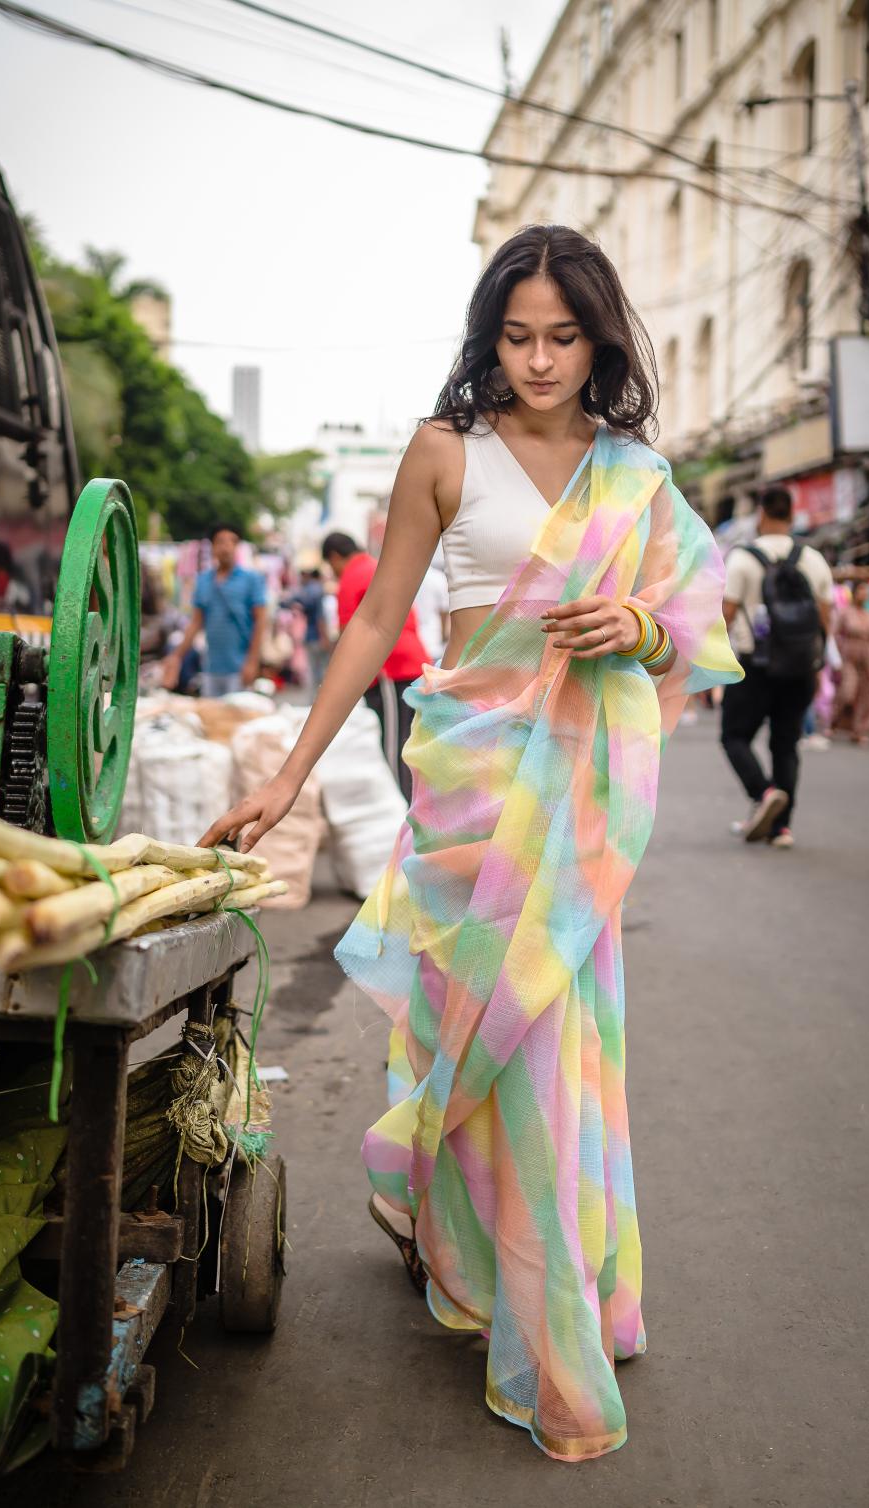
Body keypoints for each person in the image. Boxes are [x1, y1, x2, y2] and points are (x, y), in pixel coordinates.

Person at [200, 224, 740, 1463]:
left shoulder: (633, 470)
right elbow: (382, 612)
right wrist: (290, 771)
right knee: (459, 1032)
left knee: (550, 1045)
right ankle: (449, 1233)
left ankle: (554, 1319)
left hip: (575, 801)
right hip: (466, 779)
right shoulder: (444, 452)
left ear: (599, 337)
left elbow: (695, 618)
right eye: (517, 335)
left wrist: (640, 630)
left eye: (563, 336)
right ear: (485, 333)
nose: (540, 360)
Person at [720, 486, 833, 848]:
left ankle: (763, 792)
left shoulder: (742, 559)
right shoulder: (813, 558)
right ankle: (781, 827)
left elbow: (726, 614)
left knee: (734, 736)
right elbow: (826, 615)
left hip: (755, 664)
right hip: (799, 667)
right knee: (785, 744)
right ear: (792, 514)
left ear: (762, 514)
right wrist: (816, 659)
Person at [321, 531, 429, 798]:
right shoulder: (375, 567)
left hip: (389, 671)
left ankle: (405, 811)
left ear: (334, 557)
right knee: (411, 742)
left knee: (395, 748)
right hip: (409, 662)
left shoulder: (352, 577)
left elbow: (349, 635)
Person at [161, 523, 266, 697]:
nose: (225, 547)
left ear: (237, 547)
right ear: (212, 547)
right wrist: (176, 656)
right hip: (211, 667)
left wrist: (253, 662)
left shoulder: (251, 580)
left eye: (231, 541)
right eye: (220, 542)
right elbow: (195, 623)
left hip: (239, 667)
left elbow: (260, 621)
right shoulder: (203, 581)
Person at [830, 579, 869, 743]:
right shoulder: (845, 612)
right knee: (848, 691)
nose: (864, 594)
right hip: (850, 656)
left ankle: (858, 729)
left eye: (866, 591)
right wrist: (837, 656)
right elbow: (834, 634)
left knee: (866, 692)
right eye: (861, 590)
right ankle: (835, 720)